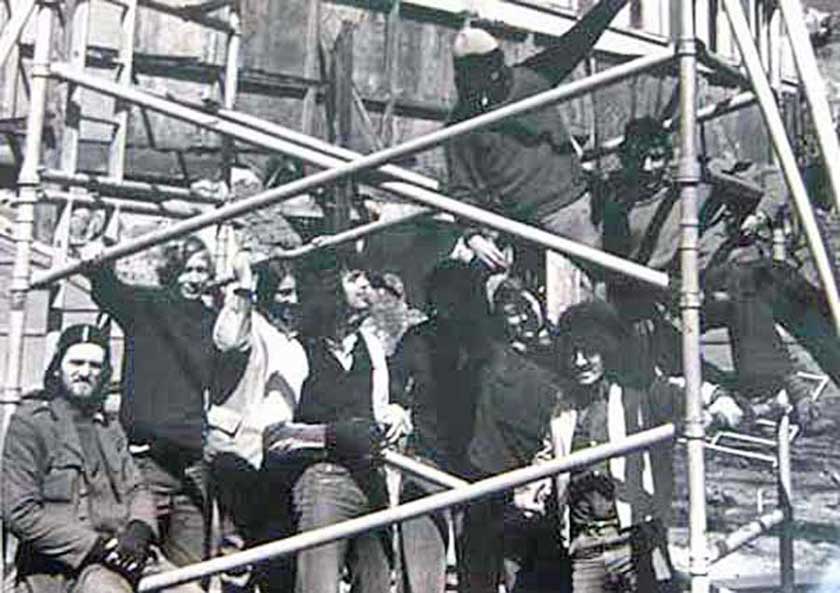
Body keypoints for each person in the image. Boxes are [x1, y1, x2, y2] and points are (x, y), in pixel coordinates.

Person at [600, 116, 837, 429]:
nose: (647, 168)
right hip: (690, 291)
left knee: (785, 282)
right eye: (637, 159)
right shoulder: (620, 205)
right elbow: (621, 276)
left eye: (655, 157)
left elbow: (780, 181)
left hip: (744, 276)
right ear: (625, 159)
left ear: (668, 155)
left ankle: (811, 376)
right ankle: (766, 387)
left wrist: (760, 215)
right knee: (745, 278)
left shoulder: (698, 174)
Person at [514, 301, 742, 593]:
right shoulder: (565, 407)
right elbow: (549, 457)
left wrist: (720, 406)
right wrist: (532, 486)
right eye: (573, 353)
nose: (581, 361)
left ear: (608, 349)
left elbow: (696, 390)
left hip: (637, 539)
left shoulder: (640, 395)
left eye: (590, 351)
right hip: (585, 545)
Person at [445, 0, 629, 286]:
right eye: (476, 74)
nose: (489, 79)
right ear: (464, 76)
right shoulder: (462, 125)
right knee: (519, 298)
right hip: (519, 223)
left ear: (499, 62)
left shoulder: (532, 78)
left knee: (605, 281)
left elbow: (579, 39)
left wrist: (610, 6)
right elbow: (461, 188)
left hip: (569, 209)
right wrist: (473, 235)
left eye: (491, 69)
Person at [269, 251, 411, 593]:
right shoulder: (295, 351)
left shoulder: (372, 347)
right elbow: (273, 435)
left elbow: (378, 412)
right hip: (324, 480)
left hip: (371, 480)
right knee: (319, 585)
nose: (365, 286)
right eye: (354, 278)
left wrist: (395, 416)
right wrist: (331, 436)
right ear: (329, 288)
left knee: (377, 581)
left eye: (367, 278)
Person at [82, 235, 219, 570]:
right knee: (132, 560)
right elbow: (109, 291)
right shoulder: (146, 306)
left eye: (202, 270)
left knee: (190, 569)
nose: (195, 278)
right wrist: (97, 264)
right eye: (187, 270)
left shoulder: (211, 320)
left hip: (192, 459)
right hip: (148, 460)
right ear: (171, 272)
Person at [3, 324, 157, 593]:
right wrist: (96, 547)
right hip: (68, 565)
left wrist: (139, 530)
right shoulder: (31, 425)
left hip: (128, 555)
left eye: (95, 366)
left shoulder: (110, 428)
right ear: (57, 366)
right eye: (76, 362)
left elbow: (137, 489)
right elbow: (19, 512)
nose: (85, 373)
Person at [207, 252, 309, 593]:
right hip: (240, 452)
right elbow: (229, 338)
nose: (292, 300)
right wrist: (244, 287)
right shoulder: (252, 326)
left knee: (275, 554)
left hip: (279, 457)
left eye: (294, 292)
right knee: (236, 554)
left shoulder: (293, 337)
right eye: (283, 293)